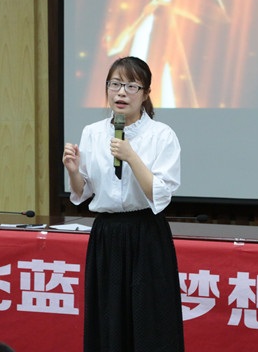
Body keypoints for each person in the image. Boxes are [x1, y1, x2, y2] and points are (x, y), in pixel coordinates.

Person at [63, 56, 185, 351]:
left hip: (146, 233)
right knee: (108, 320)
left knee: (150, 320)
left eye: (131, 86)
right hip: (107, 235)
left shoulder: (161, 135)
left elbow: (160, 194)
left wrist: (131, 156)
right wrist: (73, 171)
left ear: (146, 94)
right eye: (115, 84)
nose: (121, 93)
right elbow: (83, 192)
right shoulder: (92, 132)